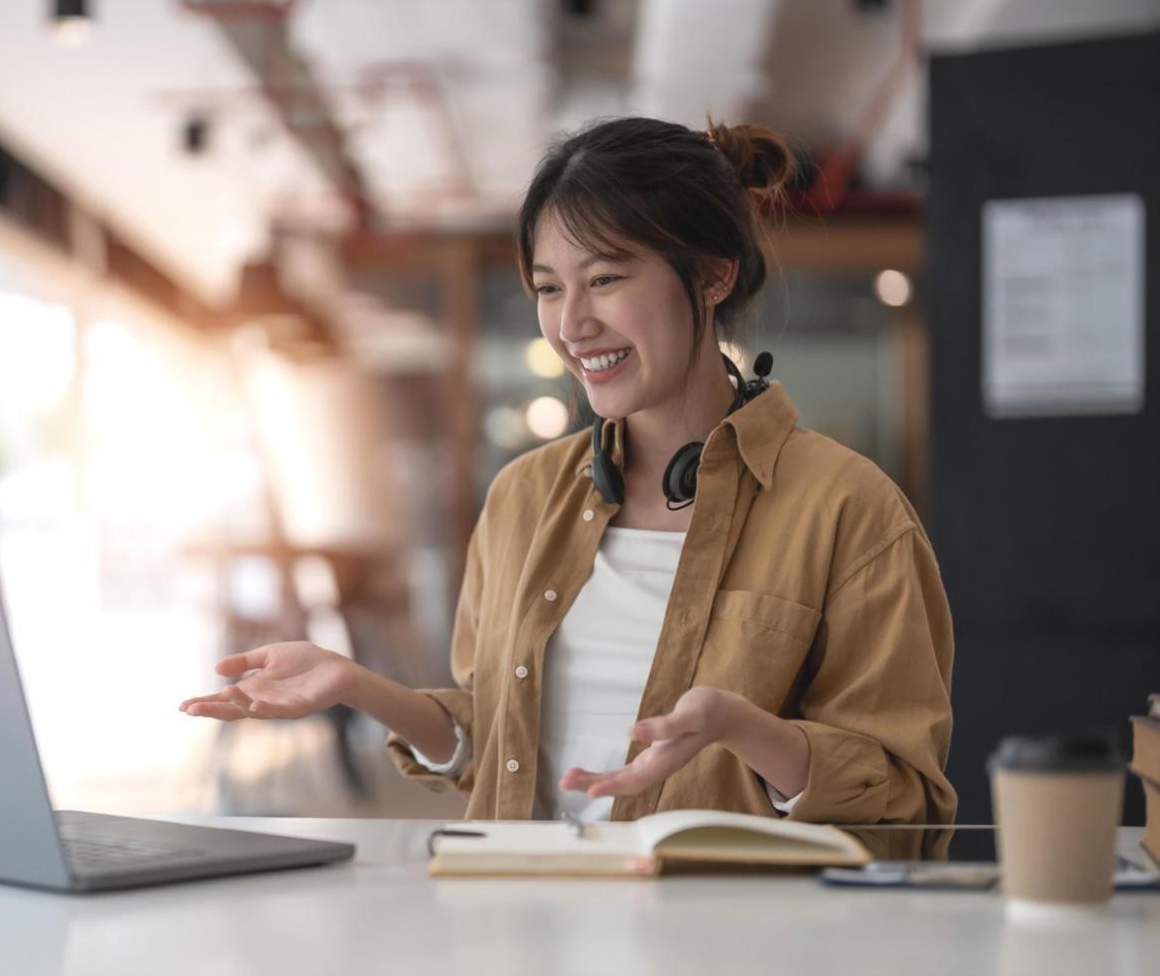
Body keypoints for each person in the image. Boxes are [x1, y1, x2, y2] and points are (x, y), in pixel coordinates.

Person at [180, 116, 957, 832]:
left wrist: (751, 735)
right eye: (549, 287)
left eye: (607, 279)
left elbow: (907, 802)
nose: (571, 324)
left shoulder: (850, 511)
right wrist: (357, 686)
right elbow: (498, 748)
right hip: (523, 926)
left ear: (714, 276)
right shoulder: (523, 498)